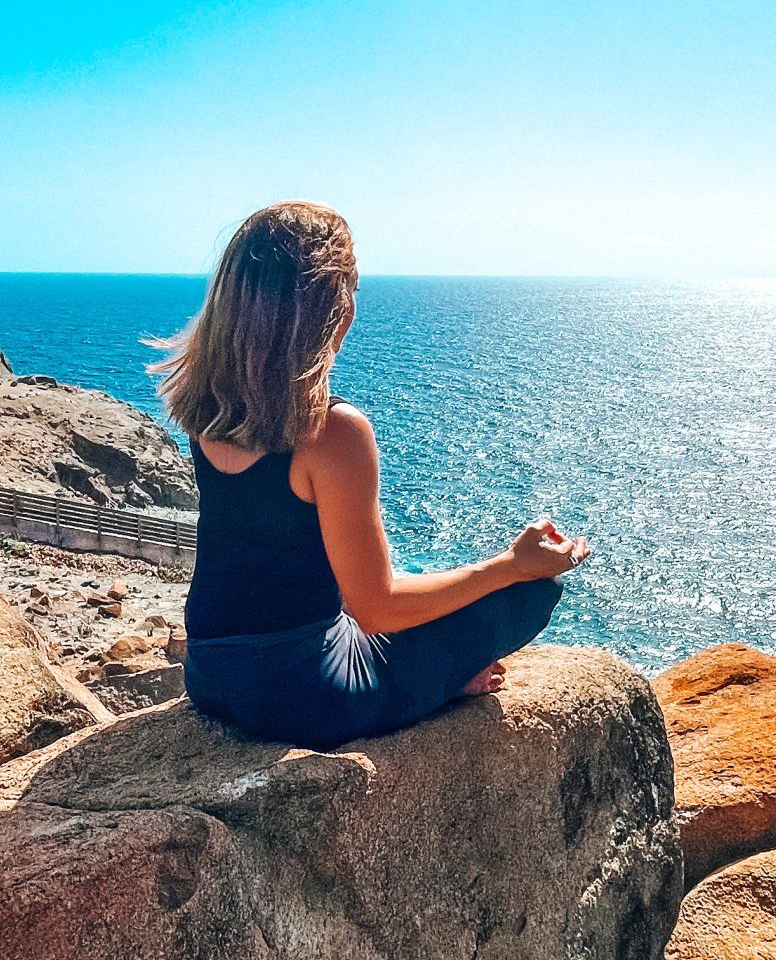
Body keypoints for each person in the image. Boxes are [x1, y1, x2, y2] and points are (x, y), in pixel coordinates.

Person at [154, 201, 589, 749]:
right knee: (529, 594)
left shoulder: (207, 406)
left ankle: (436, 677)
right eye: (351, 288)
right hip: (306, 698)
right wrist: (511, 564)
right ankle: (444, 687)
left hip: (211, 676)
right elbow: (377, 607)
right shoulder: (330, 431)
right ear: (329, 308)